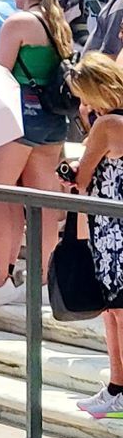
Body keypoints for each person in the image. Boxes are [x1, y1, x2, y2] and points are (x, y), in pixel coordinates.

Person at [0, 0, 76, 315]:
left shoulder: (17, 23)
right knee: (39, 202)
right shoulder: (59, 23)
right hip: (52, 121)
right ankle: (42, 280)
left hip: (17, 117)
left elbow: (2, 73)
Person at [66, 53, 123, 418]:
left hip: (110, 229)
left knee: (116, 312)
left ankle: (119, 387)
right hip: (113, 225)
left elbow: (80, 179)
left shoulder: (106, 125)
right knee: (115, 311)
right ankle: (116, 388)